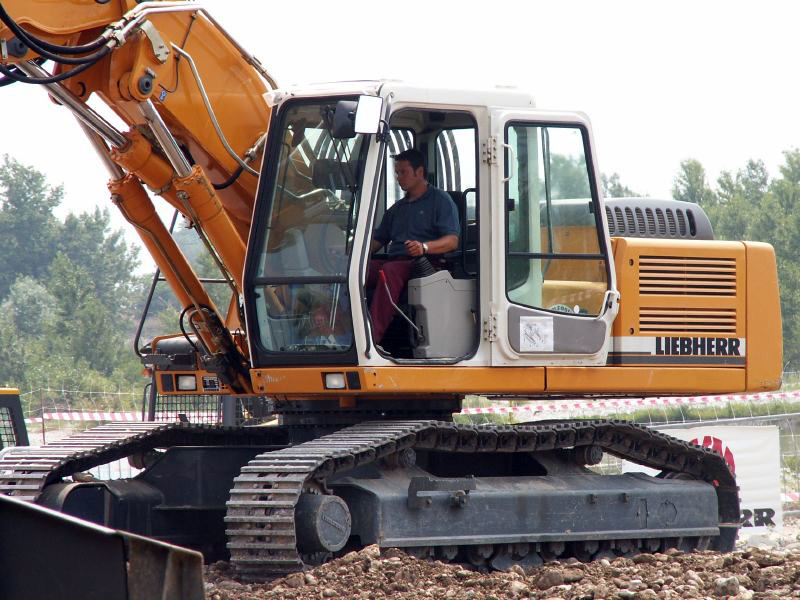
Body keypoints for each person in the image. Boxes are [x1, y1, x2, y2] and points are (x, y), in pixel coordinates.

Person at [367, 149, 460, 346]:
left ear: (419, 172)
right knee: (359, 271)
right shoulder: (397, 209)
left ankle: (371, 337)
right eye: (396, 173)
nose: (398, 177)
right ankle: (345, 328)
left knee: (388, 272)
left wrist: (424, 247)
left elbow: (452, 241)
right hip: (395, 262)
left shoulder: (440, 201)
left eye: (403, 172)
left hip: (424, 264)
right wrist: (350, 254)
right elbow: (378, 240)